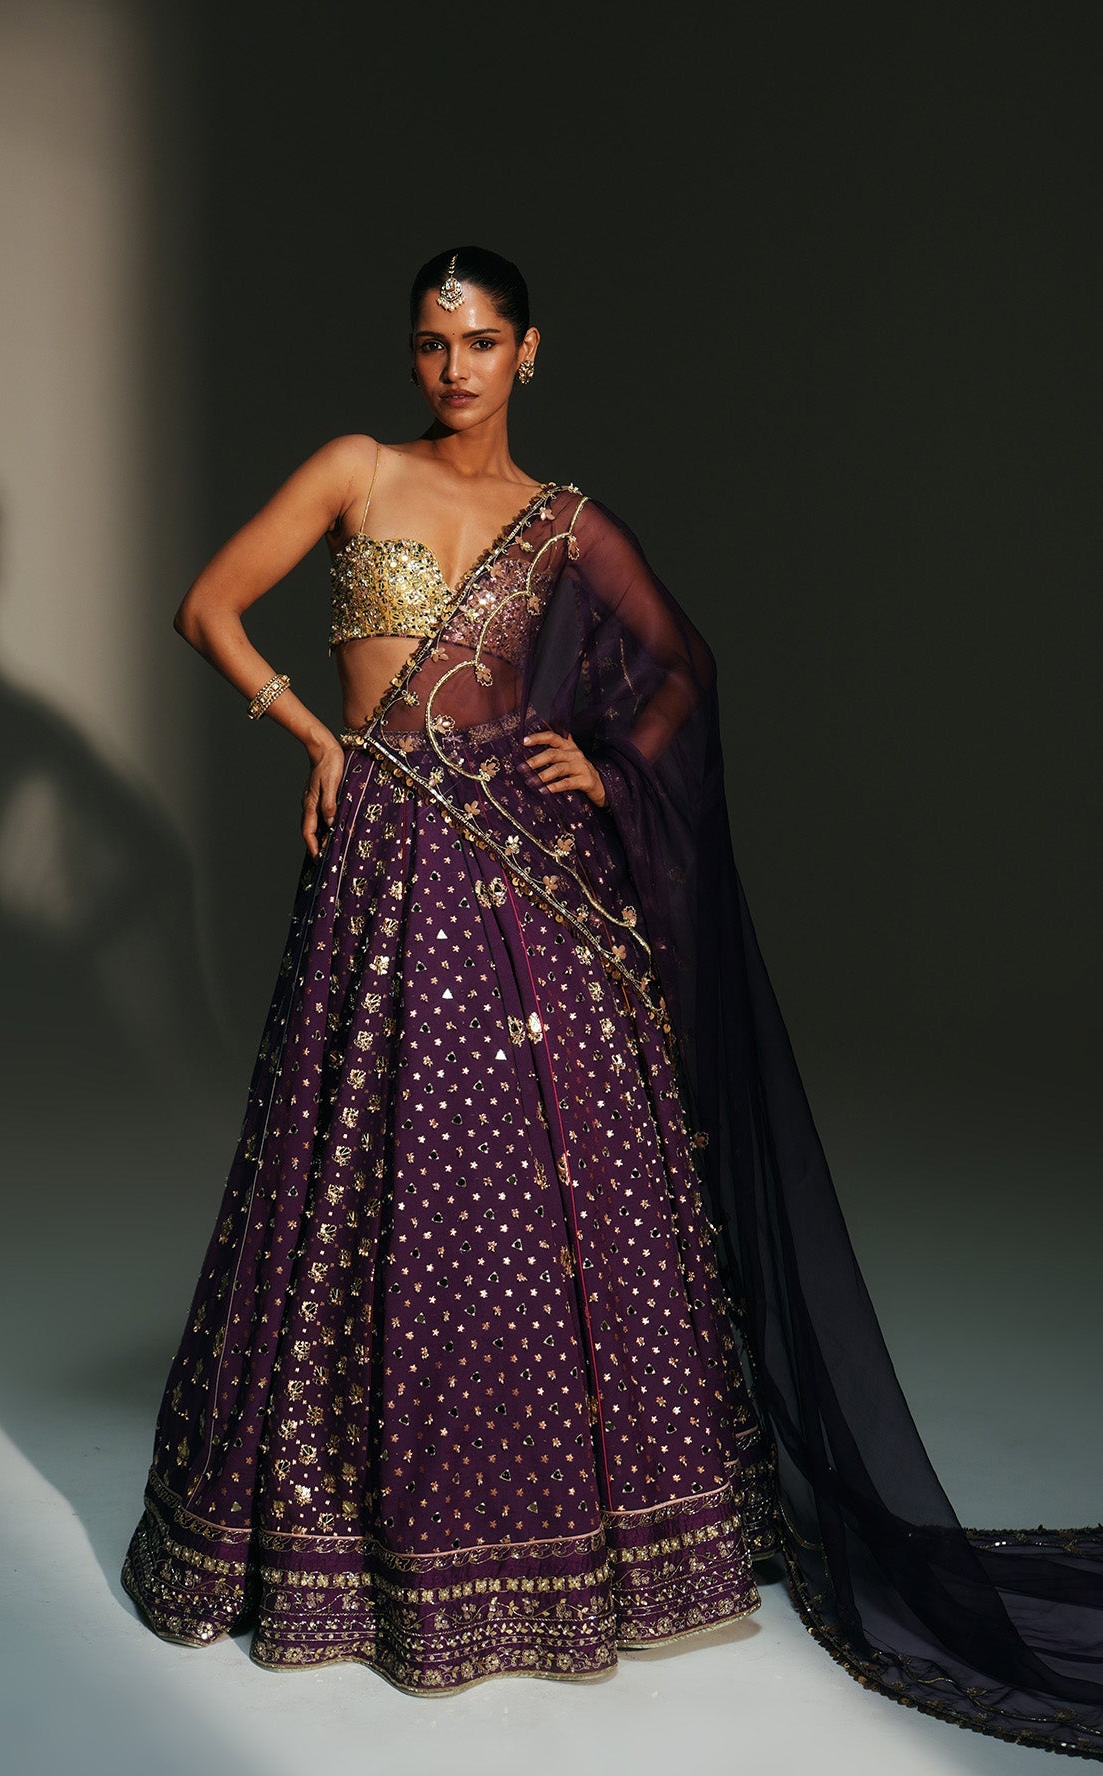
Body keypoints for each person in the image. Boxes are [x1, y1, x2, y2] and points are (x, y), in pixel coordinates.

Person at [122, 246, 1103, 1757]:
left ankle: (586, 1539)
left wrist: (614, 757)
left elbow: (682, 663)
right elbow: (207, 608)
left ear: (529, 352)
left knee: (543, 1186)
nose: (454, 368)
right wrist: (316, 739)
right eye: (432, 342)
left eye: (481, 342)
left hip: (529, 875)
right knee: (371, 1172)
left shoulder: (565, 521)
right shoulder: (355, 469)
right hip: (387, 857)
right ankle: (370, 1541)